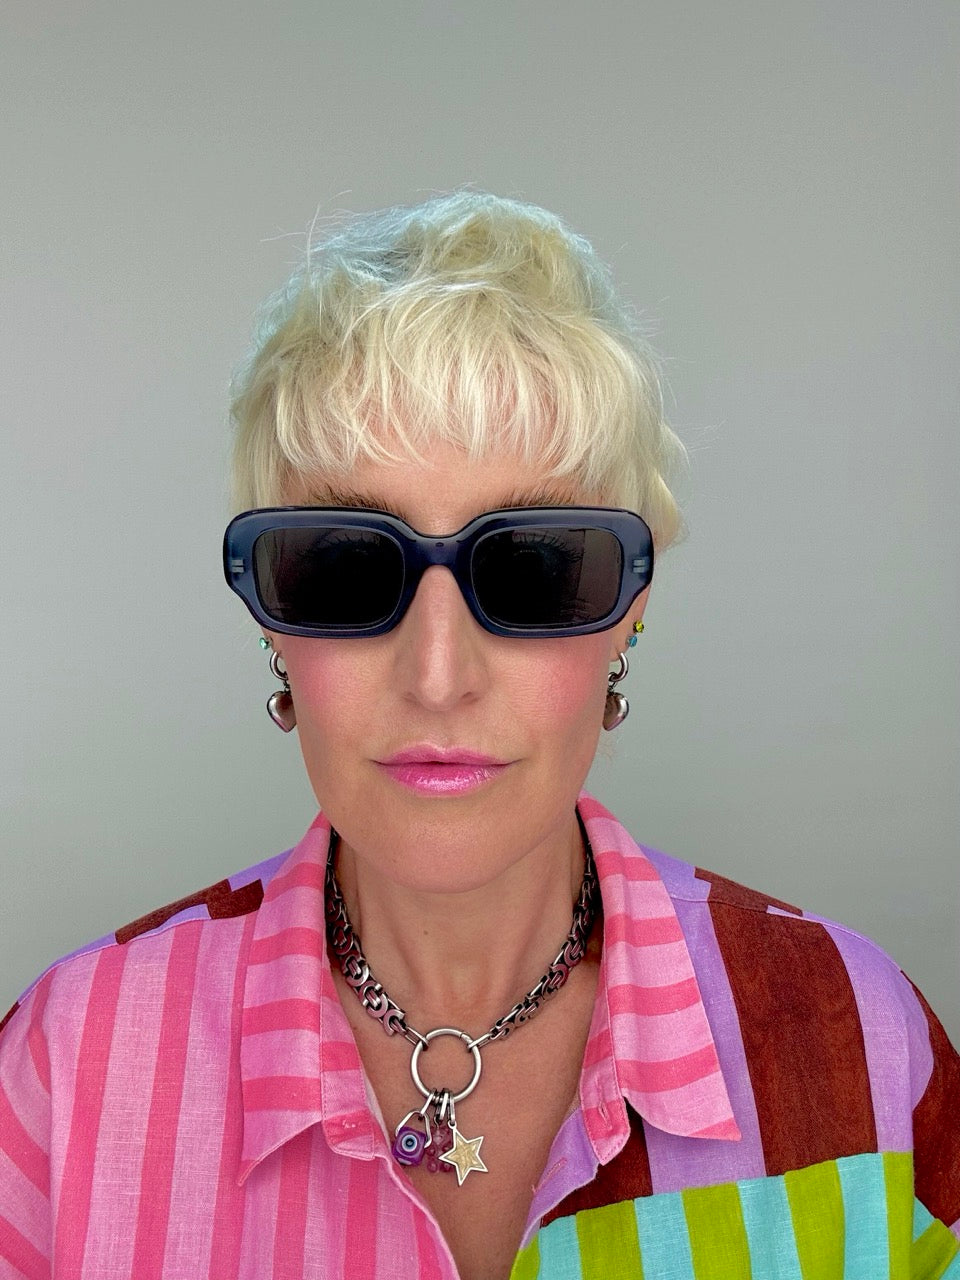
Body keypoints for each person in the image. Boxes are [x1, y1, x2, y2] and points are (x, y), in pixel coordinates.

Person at [1, 192, 958, 1280]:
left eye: (537, 566)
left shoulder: (864, 1045)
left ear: (630, 612)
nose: (438, 676)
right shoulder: (64, 1069)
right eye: (346, 564)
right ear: (272, 620)